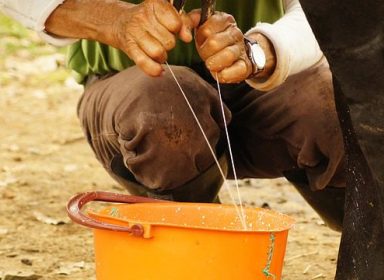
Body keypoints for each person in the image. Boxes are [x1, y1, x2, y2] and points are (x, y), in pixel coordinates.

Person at [0, 0, 346, 230]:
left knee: (339, 109)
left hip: (255, 80)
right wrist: (113, 20)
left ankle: (378, 245)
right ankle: (192, 247)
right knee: (162, 108)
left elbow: (336, 12)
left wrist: (265, 49)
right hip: (133, 94)